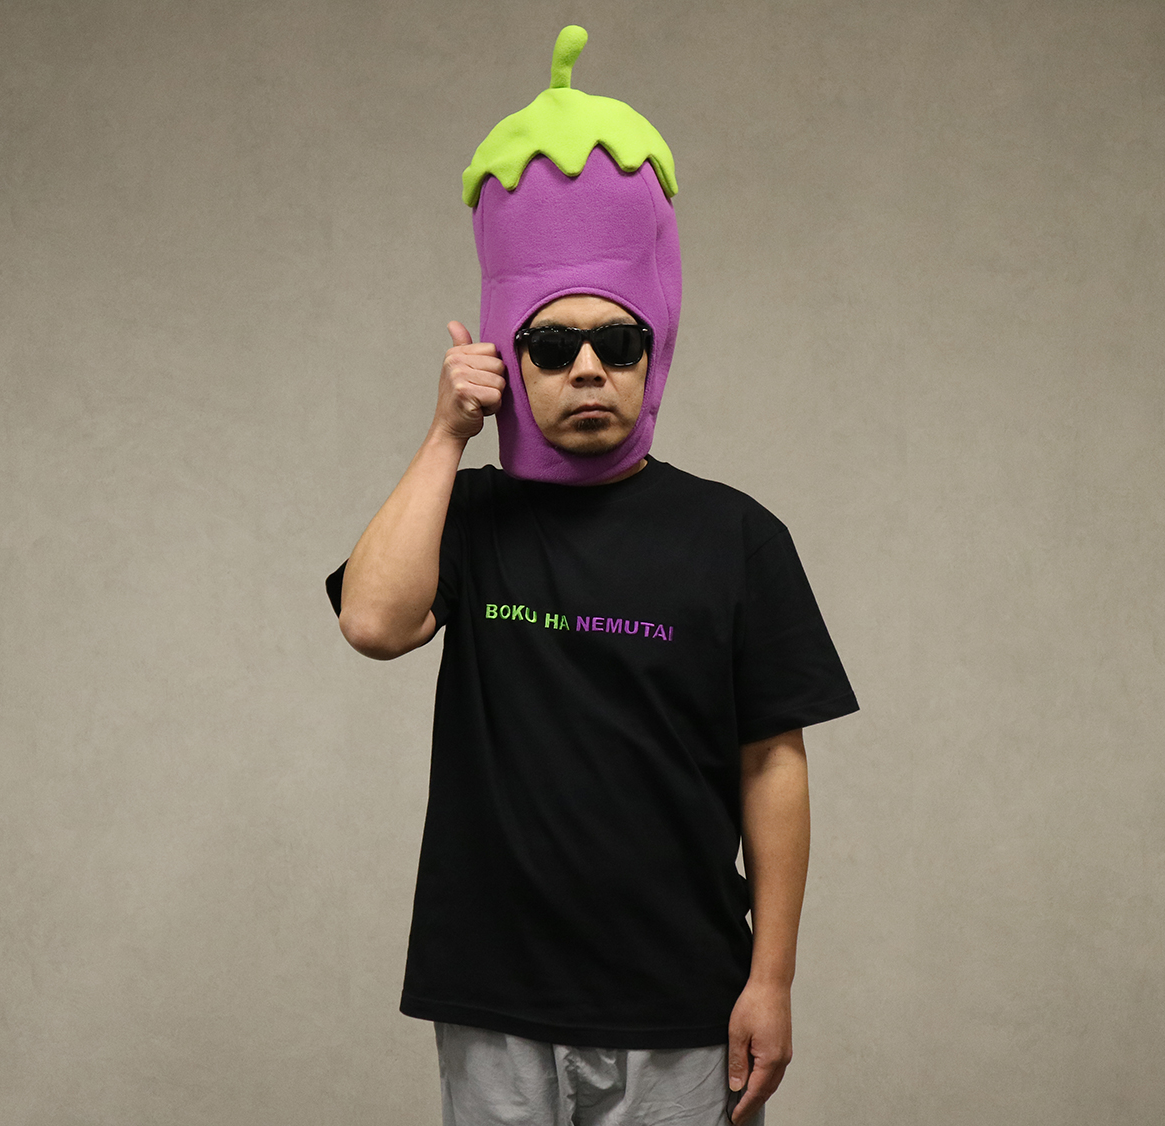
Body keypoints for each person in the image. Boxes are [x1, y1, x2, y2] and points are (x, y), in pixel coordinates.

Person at [328, 27, 857, 1126]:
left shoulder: (737, 536)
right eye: (552, 344)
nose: (587, 369)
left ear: (654, 352)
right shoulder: (470, 517)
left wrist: (772, 977)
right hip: (496, 998)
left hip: (682, 999)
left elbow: (774, 763)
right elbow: (374, 622)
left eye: (617, 343)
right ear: (508, 357)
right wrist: (445, 433)